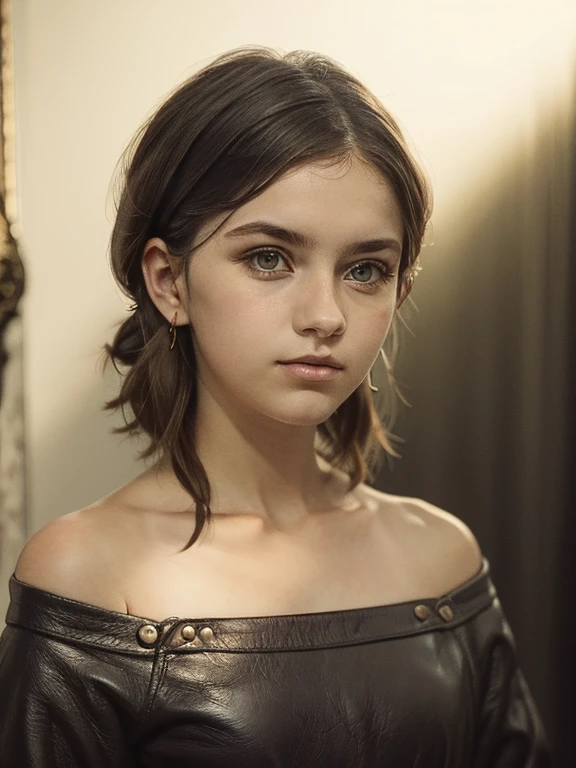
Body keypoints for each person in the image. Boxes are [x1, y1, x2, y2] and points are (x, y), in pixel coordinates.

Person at [0, 46, 550, 766]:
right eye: (269, 257)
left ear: (398, 294)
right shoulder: (88, 572)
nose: (325, 314)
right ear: (168, 280)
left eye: (365, 270)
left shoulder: (441, 557)